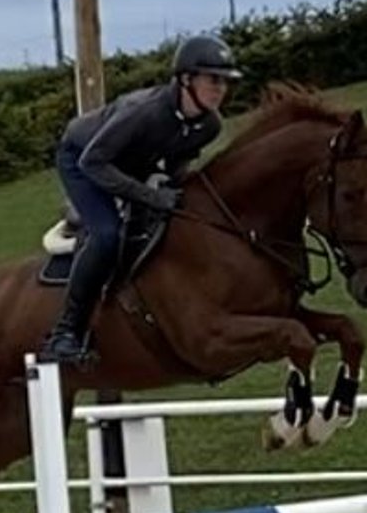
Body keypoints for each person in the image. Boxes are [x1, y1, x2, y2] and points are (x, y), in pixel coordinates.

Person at [39, 34, 243, 365]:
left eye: (225, 81)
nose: (220, 88)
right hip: (82, 159)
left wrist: (170, 193)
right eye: (213, 79)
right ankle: (65, 333)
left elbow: (178, 161)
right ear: (186, 79)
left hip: (128, 163)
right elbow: (94, 163)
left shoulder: (210, 126)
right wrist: (149, 195)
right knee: (107, 234)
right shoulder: (144, 112)